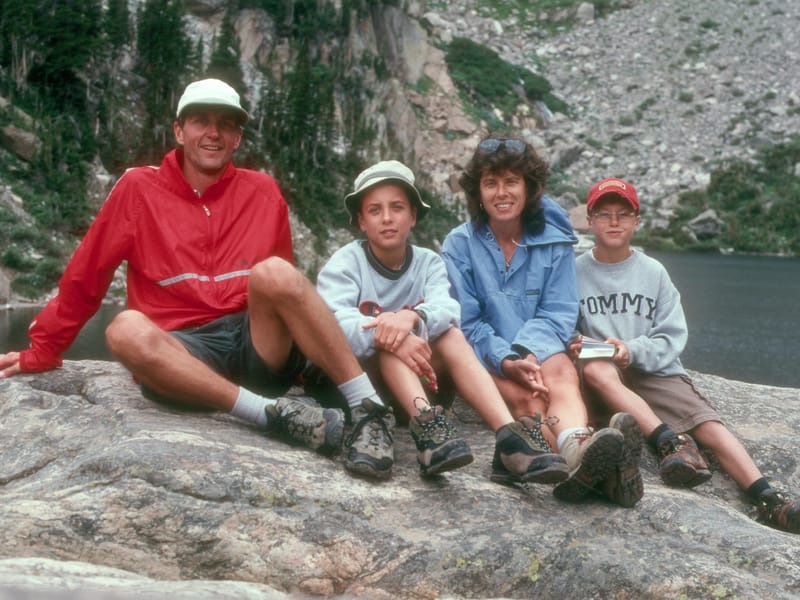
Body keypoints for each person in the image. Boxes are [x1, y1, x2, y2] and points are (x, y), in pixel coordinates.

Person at [0, 78, 389, 460]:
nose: (213, 133)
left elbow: (285, 297)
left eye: (226, 124)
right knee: (123, 329)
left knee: (275, 271)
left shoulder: (263, 191)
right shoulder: (138, 188)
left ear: (237, 137)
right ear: (179, 131)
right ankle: (269, 414)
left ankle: (370, 409)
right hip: (183, 352)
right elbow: (88, 274)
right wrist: (46, 348)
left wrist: (307, 366)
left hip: (254, 345)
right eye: (201, 120)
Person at [314, 159, 570, 484]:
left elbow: (449, 309)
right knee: (393, 345)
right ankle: (429, 431)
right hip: (361, 385)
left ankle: (507, 436)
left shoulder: (428, 262)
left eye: (397, 208)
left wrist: (412, 317)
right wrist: (389, 329)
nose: (388, 218)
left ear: (413, 217)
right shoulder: (346, 262)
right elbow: (331, 325)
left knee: (449, 335)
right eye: (375, 210)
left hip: (416, 382)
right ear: (361, 222)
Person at [573, 176, 800, 532]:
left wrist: (631, 350)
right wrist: (587, 347)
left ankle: (767, 497)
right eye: (604, 214)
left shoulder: (653, 272)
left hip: (651, 369)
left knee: (708, 423)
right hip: (604, 373)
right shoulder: (574, 272)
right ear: (589, 220)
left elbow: (672, 337)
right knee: (596, 372)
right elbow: (565, 329)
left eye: (623, 214)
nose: (614, 222)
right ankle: (671, 442)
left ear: (637, 221)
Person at [441, 135, 643, 507]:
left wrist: (526, 352)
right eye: (491, 182)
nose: (502, 193)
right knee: (527, 397)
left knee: (564, 376)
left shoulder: (554, 241)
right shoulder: (458, 244)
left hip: (540, 345)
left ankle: (578, 450)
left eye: (511, 181)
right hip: (487, 353)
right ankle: (598, 469)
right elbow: (466, 323)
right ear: (478, 191)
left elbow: (559, 312)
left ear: (528, 187)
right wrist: (507, 358)